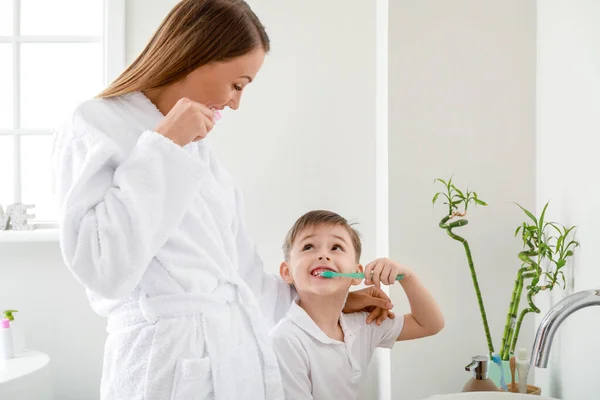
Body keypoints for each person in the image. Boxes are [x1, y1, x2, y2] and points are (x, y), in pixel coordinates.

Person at [51, 1, 396, 399]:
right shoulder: (95, 124)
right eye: (237, 84)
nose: (235, 103)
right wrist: (163, 146)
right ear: (195, 56)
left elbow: (246, 280)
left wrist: (332, 300)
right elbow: (102, 267)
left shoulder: (203, 157)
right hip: (165, 365)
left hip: (231, 359)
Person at [271, 210, 445, 400]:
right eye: (308, 247)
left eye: (336, 247)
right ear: (287, 272)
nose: (323, 255)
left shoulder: (364, 325)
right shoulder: (286, 340)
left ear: (357, 273)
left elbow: (430, 324)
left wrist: (408, 278)